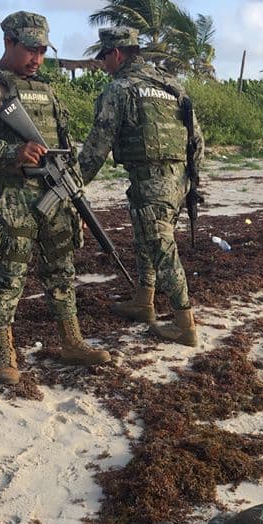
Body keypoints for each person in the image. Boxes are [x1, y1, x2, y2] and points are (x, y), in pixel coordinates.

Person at [0, 11, 111, 385]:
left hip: (55, 193)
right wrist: (11, 155)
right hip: (12, 197)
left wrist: (75, 197)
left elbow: (63, 147)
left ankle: (71, 341)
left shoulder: (47, 89)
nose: (36, 58)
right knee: (8, 276)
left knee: (61, 272)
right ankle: (3, 352)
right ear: (8, 42)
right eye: (30, 49)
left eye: (41, 50)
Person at [78, 26, 204, 347]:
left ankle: (185, 325)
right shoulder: (172, 86)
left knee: (161, 247)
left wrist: (73, 188)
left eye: (104, 57)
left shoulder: (119, 89)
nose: (103, 64)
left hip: (151, 180)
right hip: (179, 179)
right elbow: (197, 140)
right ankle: (143, 301)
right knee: (146, 236)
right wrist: (192, 181)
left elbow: (96, 147)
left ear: (116, 54)